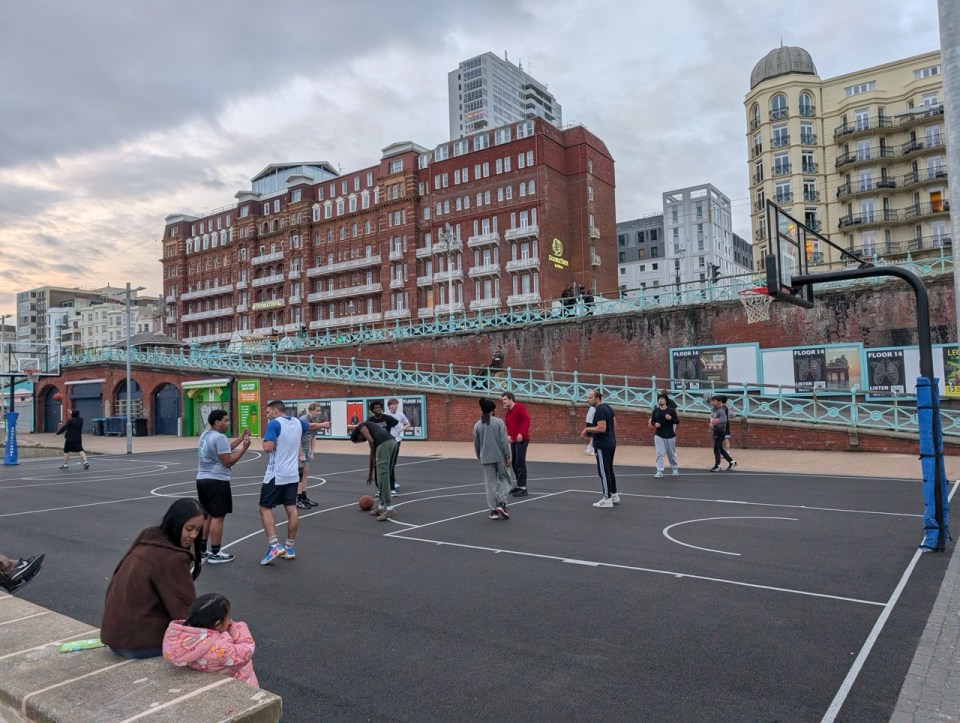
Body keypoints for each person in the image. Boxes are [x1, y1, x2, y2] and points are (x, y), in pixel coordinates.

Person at [101, 498, 204, 659]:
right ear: (176, 523)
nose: (193, 535)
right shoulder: (173, 558)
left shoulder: (149, 537)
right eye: (189, 528)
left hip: (115, 636)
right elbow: (185, 611)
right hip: (140, 644)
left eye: (198, 530)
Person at [259, 400, 330, 565]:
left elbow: (268, 447)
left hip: (276, 474)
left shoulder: (274, 424)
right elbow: (310, 427)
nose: (267, 414)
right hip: (292, 474)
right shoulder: (297, 422)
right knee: (291, 508)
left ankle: (274, 545)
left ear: (276, 411)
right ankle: (289, 547)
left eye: (268, 411)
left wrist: (264, 442)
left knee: (264, 508)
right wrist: (324, 424)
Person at [163, 593, 258, 688]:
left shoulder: (177, 636)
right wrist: (239, 627)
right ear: (217, 624)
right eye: (227, 618)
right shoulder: (221, 647)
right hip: (237, 682)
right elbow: (246, 652)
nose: (229, 621)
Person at [196, 410, 251, 564]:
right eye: (225, 420)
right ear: (217, 422)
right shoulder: (219, 438)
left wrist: (240, 438)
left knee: (206, 515)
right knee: (218, 516)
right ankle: (215, 552)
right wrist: (244, 448)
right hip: (217, 480)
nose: (228, 423)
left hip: (202, 479)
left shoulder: (205, 435)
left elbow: (224, 449)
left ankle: (202, 550)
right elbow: (228, 461)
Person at [350, 418, 398, 520]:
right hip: (392, 442)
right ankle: (381, 507)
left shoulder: (362, 427)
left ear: (358, 433)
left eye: (358, 440)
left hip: (384, 445)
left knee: (383, 478)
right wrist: (370, 474)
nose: (361, 441)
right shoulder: (374, 433)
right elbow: (371, 456)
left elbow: (371, 442)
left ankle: (390, 508)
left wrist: (375, 452)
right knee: (383, 476)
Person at [473, 398, 511, 520]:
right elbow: (504, 441)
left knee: (490, 485)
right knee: (505, 478)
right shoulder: (499, 422)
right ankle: (502, 502)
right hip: (499, 456)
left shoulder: (477, 425)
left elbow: (476, 443)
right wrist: (508, 455)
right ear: (493, 410)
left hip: (486, 458)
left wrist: (479, 455)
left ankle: (493, 510)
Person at [581, 389, 618, 508]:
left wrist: (587, 429)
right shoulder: (607, 407)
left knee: (603, 472)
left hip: (603, 444)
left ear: (597, 399)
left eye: (590, 398)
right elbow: (614, 424)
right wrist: (611, 435)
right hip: (611, 442)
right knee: (609, 469)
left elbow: (602, 428)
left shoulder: (600, 410)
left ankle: (607, 499)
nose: (588, 400)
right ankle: (614, 494)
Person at [501, 391, 530, 497]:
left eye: (505, 399)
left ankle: (523, 487)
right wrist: (508, 436)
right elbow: (507, 425)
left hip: (522, 440)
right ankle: (519, 485)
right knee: (514, 463)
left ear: (510, 399)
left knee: (520, 462)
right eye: (502, 400)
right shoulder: (508, 412)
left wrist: (521, 433)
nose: (503, 402)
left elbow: (526, 420)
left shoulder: (520, 408)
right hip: (513, 440)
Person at [297, 403, 323, 510]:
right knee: (300, 475)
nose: (319, 413)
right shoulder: (303, 420)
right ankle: (298, 500)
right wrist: (301, 453)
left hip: (307, 450)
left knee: (305, 474)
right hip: (300, 450)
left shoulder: (314, 422)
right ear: (311, 410)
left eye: (320, 411)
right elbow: (296, 438)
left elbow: (313, 438)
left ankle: (304, 497)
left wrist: (312, 452)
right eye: (317, 411)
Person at [385, 398, 412, 496]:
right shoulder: (385, 415)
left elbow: (408, 424)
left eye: (396, 404)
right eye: (393, 404)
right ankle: (390, 485)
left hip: (397, 441)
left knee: (393, 462)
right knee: (389, 463)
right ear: (389, 406)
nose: (395, 405)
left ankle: (392, 482)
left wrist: (401, 430)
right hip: (388, 441)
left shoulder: (400, 415)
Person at [650, 393, 680, 477]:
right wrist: (655, 424)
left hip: (670, 435)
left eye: (662, 399)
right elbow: (652, 420)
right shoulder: (656, 410)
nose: (660, 400)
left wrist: (671, 419)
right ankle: (659, 471)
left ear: (666, 401)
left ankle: (674, 468)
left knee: (671, 453)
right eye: (659, 399)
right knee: (659, 453)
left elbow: (677, 421)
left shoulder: (671, 410)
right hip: (659, 434)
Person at [709, 396, 737, 472]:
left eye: (714, 401)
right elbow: (712, 418)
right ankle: (732, 462)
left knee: (716, 448)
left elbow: (724, 420)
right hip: (715, 430)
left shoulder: (721, 410)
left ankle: (717, 465)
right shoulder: (713, 409)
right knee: (720, 448)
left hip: (720, 431)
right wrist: (711, 423)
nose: (712, 402)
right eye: (712, 401)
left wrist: (714, 424)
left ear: (719, 402)